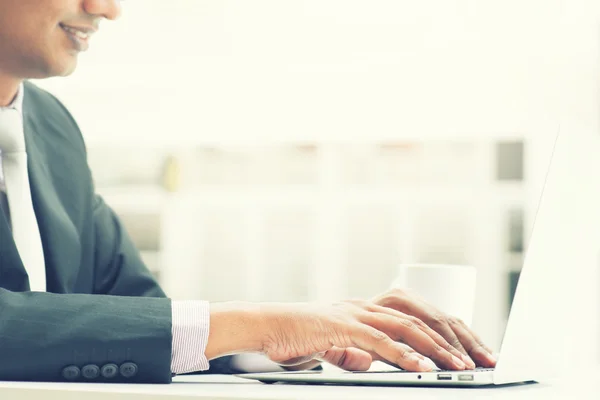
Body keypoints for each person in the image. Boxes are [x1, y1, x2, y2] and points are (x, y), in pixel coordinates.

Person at [0, 0, 496, 383]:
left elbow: (136, 312)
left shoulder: (52, 128)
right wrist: (260, 321)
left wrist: (297, 335)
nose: (107, 9)